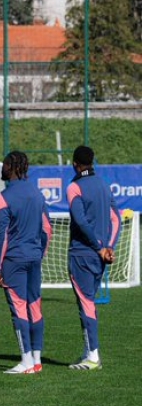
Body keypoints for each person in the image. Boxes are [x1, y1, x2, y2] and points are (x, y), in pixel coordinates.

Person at [0, 151, 52, 374]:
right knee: (34, 307)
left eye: (5, 164)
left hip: (14, 260)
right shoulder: (37, 193)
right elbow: (47, 229)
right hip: (33, 258)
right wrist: (40, 253)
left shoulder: (4, 197)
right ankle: (36, 360)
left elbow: (2, 236)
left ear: (12, 166)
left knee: (19, 310)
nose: (3, 167)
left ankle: (25, 361)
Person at [66, 145, 120, 371]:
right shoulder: (104, 185)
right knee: (87, 302)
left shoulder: (74, 187)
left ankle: (93, 357)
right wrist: (109, 247)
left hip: (82, 254)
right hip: (99, 256)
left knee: (86, 304)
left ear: (75, 164)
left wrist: (99, 247)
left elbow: (80, 220)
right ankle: (89, 351)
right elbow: (116, 218)